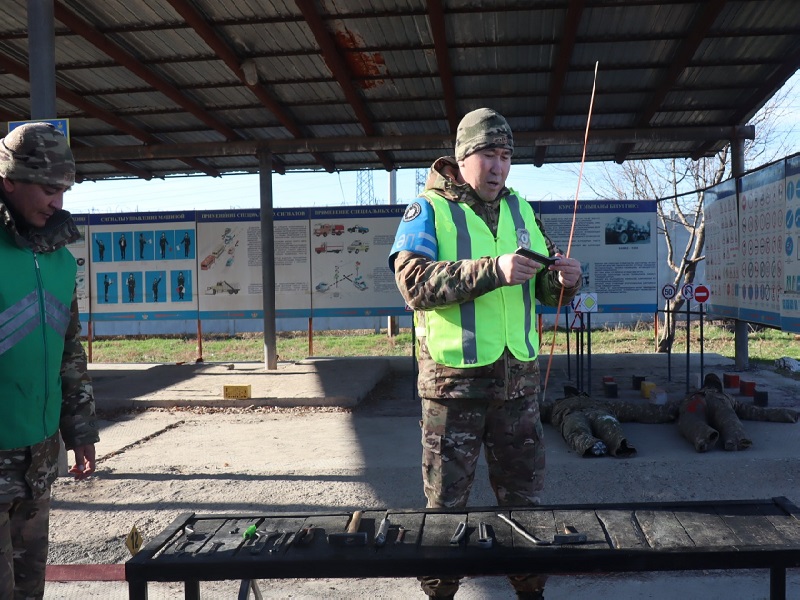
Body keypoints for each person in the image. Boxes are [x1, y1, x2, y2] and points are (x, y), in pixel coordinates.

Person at [389, 108, 582, 600]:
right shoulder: (427, 209)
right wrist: (491, 270)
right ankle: (440, 594)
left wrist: (563, 282)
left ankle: (530, 592)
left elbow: (541, 285)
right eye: (487, 155)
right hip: (453, 390)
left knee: (525, 505)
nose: (498, 168)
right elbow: (412, 283)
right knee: (446, 509)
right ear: (461, 156)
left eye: (505, 157)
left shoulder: (522, 209)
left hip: (518, 386)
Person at [0, 122, 98, 599]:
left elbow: (68, 350)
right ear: (8, 180)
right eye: (47, 187)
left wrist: (80, 431)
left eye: (63, 188)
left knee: (28, 591)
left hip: (37, 461)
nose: (57, 201)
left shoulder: (59, 259)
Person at [678, 373, 798, 452]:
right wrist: (788, 414)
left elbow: (668, 410)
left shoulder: (691, 396)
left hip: (696, 402)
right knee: (728, 418)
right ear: (720, 386)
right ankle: (736, 438)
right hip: (719, 401)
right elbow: (754, 412)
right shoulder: (725, 396)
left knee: (691, 420)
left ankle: (704, 437)